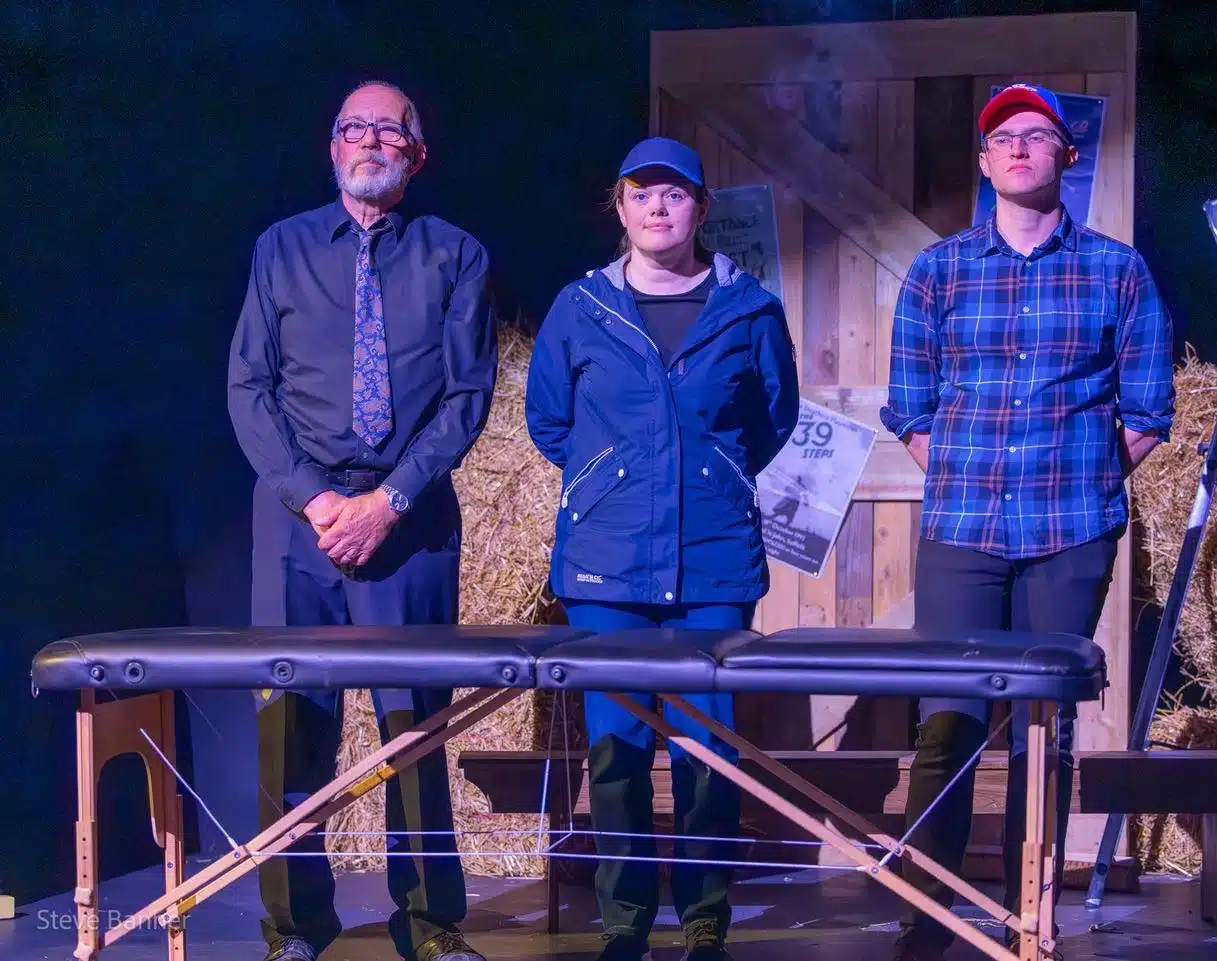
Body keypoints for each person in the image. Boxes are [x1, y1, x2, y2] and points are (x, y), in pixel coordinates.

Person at [879, 83, 1175, 960]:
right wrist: (974, 478)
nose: (1017, 149)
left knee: (1045, 725)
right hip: (962, 529)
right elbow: (909, 407)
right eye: (1002, 138)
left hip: (1070, 532)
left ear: (1063, 157)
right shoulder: (938, 270)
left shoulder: (1115, 270)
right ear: (983, 163)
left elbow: (1148, 409)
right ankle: (925, 912)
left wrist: (1078, 485)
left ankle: (1026, 911)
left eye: (1036, 136)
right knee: (948, 721)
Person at [227, 80, 497, 961]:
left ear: (417, 155)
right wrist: (315, 499)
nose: (371, 140)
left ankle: (426, 924)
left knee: (413, 729)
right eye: (354, 127)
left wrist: (388, 502)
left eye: (391, 128)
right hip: (299, 523)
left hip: (408, 516)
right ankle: (292, 929)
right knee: (290, 729)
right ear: (332, 149)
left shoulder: (457, 254)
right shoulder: (281, 248)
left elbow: (466, 397)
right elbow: (249, 388)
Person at [525, 137, 801, 961]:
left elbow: (772, 418)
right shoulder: (579, 308)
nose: (657, 207)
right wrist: (613, 475)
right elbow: (549, 422)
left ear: (699, 209)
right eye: (641, 193)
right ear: (619, 207)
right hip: (606, 566)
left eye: (674, 194)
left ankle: (706, 915)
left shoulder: (748, 308)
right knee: (616, 746)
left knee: (704, 744)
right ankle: (624, 920)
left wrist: (708, 471)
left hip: (713, 560)